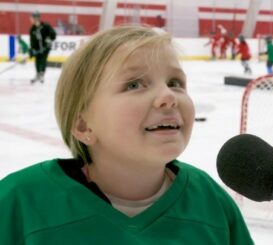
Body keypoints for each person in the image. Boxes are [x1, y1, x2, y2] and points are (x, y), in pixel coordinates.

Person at [0, 25, 254, 244]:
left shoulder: (211, 202)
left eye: (175, 83)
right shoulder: (20, 202)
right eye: (134, 84)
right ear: (83, 127)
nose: (168, 96)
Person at [29, 10, 56, 84]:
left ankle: (42, 74)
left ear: (36, 18)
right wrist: (32, 50)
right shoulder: (32, 29)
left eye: (31, 17)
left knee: (43, 59)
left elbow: (53, 34)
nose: (30, 19)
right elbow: (32, 41)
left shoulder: (45, 26)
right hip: (38, 49)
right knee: (37, 60)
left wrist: (49, 39)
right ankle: (37, 74)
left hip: (46, 47)